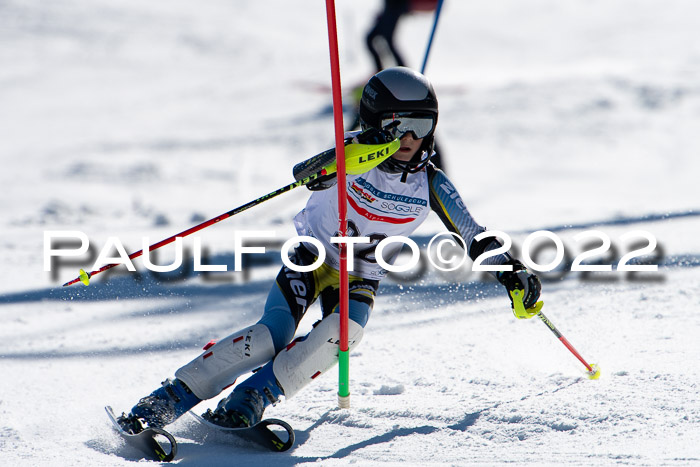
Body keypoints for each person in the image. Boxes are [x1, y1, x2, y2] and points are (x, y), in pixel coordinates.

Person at [115, 67, 542, 435]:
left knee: (342, 336)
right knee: (270, 336)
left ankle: (251, 398)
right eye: (400, 125)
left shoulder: (430, 182)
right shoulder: (356, 152)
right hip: (313, 258)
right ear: (377, 123)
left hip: (360, 274)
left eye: (423, 126)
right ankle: (166, 400)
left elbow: (474, 234)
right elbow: (307, 173)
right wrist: (339, 163)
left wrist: (512, 271)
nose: (411, 138)